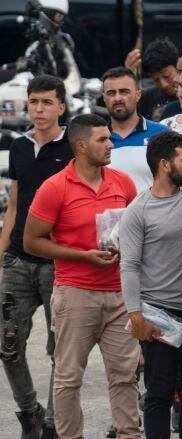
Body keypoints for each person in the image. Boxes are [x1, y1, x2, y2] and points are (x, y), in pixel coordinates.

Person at [23, 114, 140, 439]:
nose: (110, 144)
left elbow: (136, 230)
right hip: (76, 294)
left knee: (124, 376)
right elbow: (32, 241)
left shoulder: (122, 182)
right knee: (69, 377)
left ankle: (129, 435)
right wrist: (82, 256)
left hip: (120, 295)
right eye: (103, 139)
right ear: (81, 145)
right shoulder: (54, 188)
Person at [119, 130, 182, 438]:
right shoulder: (138, 211)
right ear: (164, 165)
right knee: (159, 393)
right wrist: (135, 315)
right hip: (159, 317)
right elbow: (129, 265)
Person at [0, 74, 72, 439]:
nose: (39, 108)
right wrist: (1, 256)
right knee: (7, 342)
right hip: (17, 260)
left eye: (46, 102)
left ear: (62, 106)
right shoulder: (18, 146)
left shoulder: (74, 146)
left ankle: (52, 425)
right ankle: (30, 411)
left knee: (60, 349)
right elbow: (13, 204)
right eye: (33, 101)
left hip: (57, 262)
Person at [102, 66, 169, 192]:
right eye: (111, 93)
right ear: (104, 98)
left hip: (152, 211)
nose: (117, 98)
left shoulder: (162, 134)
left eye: (124, 92)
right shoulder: (97, 140)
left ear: (138, 95)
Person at [125, 37, 180, 121]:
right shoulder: (147, 97)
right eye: (156, 80)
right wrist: (127, 78)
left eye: (167, 76)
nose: (164, 84)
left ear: (178, 65)